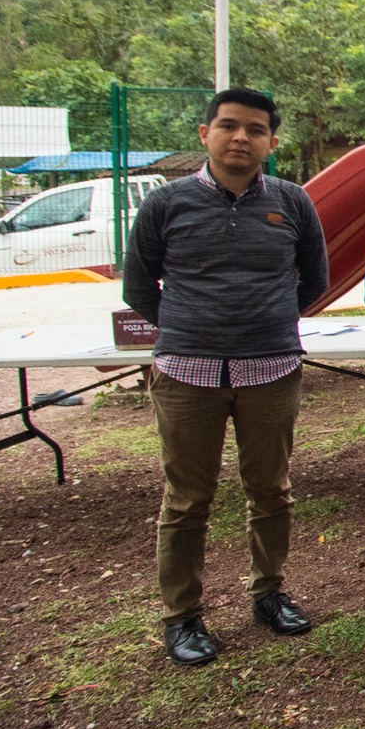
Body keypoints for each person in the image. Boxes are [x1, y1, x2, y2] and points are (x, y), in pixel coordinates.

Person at [122, 88, 330, 667]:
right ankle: (182, 615)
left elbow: (313, 280)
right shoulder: (166, 205)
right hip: (188, 373)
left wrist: (263, 321)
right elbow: (138, 288)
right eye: (229, 126)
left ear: (272, 142)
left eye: (255, 129)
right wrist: (191, 327)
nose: (241, 138)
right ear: (204, 134)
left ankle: (269, 593)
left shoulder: (291, 203)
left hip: (272, 369)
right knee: (188, 498)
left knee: (271, 489)